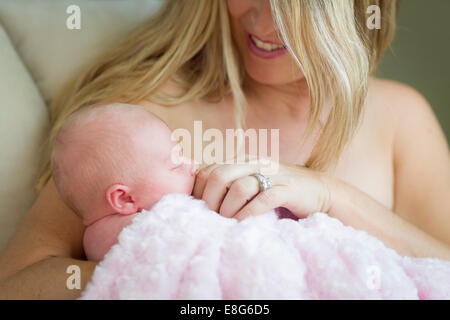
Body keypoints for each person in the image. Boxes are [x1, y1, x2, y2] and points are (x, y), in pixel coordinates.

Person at [0, 0, 449, 299]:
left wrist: (330, 195)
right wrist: (187, 274)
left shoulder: (399, 117)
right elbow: (15, 283)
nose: (261, 21)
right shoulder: (141, 119)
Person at [51, 103, 198, 262]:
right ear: (125, 199)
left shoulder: (95, 240)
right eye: (176, 166)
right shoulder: (145, 230)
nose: (193, 164)